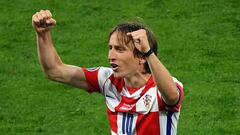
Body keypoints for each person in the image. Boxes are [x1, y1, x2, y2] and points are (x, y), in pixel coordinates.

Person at [32, 9, 184, 135]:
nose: (111, 56)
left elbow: (171, 96)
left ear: (141, 57)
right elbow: (54, 71)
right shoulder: (107, 79)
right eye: (110, 48)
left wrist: (148, 52)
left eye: (119, 49)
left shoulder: (162, 87)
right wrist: (42, 34)